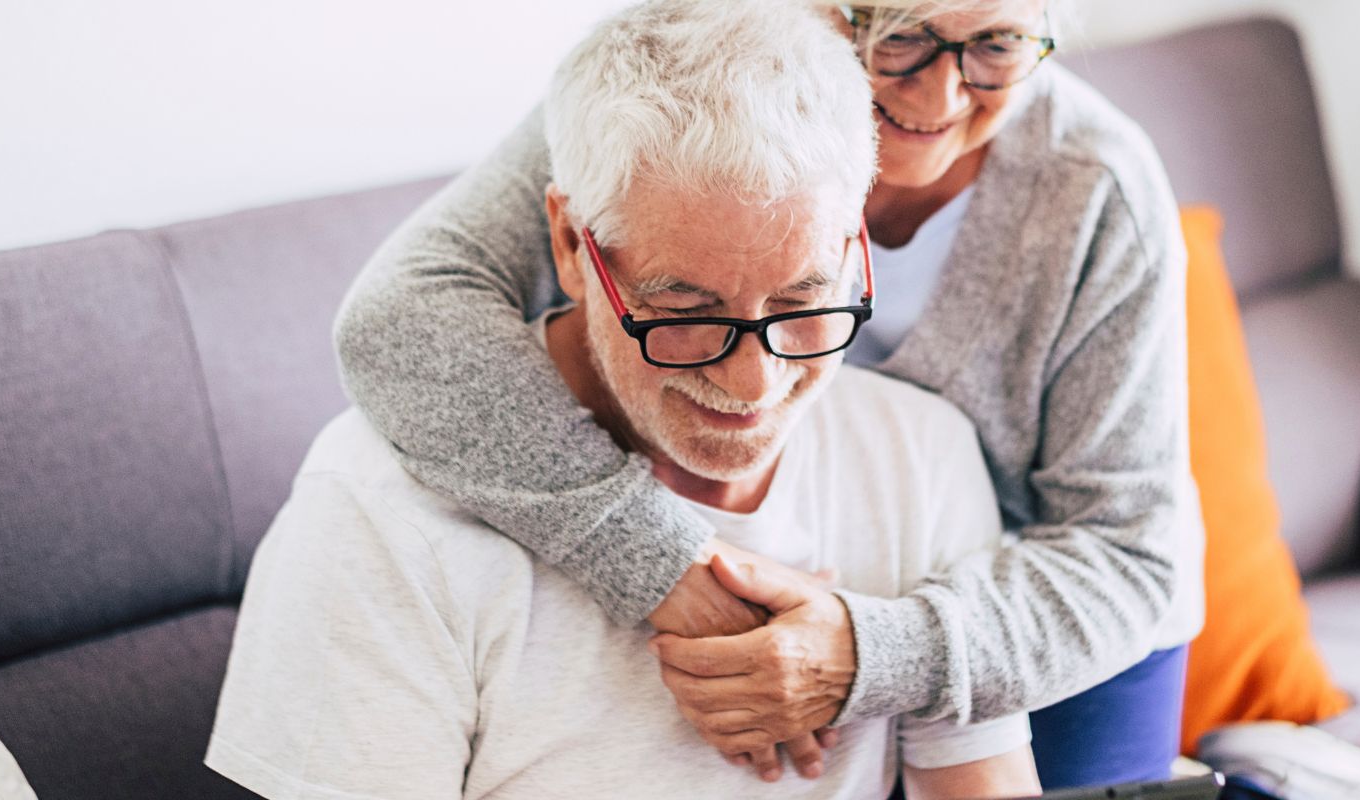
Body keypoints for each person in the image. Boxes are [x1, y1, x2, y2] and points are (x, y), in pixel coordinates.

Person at [334, 0, 1203, 788]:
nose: (941, 94)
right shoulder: (679, 86)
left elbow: (1129, 555)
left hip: (1047, 630)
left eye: (998, 45)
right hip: (742, 572)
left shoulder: (1097, 189)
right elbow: (401, 323)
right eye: (896, 36)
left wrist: (866, 655)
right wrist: (658, 560)